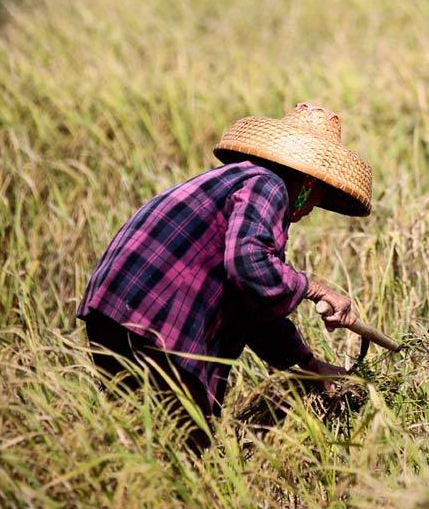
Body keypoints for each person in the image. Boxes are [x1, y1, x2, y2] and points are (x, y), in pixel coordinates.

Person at [77, 102, 372, 452]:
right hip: (155, 320)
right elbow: (250, 265)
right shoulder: (269, 185)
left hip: (116, 311)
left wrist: (308, 365)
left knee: (139, 441)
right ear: (308, 184)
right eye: (317, 198)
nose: (309, 210)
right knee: (184, 448)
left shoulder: (241, 181)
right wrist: (315, 288)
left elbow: (253, 303)